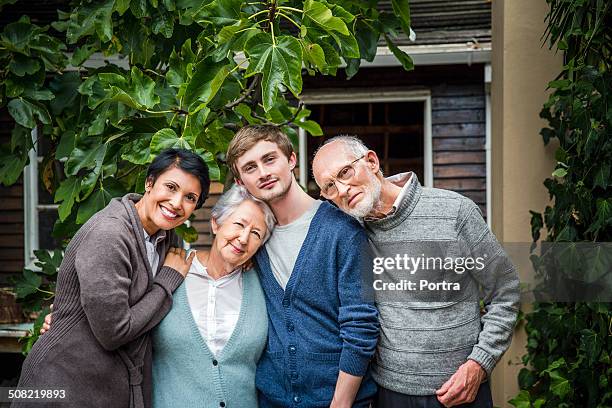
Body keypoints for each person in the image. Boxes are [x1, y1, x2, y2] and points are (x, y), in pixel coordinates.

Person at [312, 136, 520, 408]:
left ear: (372, 162)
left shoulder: (455, 212)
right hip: (388, 395)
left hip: (460, 393)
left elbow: (506, 292)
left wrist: (479, 363)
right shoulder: (352, 233)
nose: (341, 189)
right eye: (329, 186)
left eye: (345, 172)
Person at [14, 148, 210, 408]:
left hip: (106, 388)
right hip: (58, 386)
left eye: (190, 197)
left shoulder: (166, 238)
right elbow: (114, 332)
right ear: (149, 183)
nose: (176, 203)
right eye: (171, 187)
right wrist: (166, 282)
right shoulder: (109, 234)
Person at [225, 125, 380, 407]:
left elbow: (362, 327)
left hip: (340, 401)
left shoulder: (345, 231)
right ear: (240, 182)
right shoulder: (254, 239)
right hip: (273, 400)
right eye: (250, 167)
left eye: (270, 159)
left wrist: (341, 404)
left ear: (292, 160)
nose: (263, 173)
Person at [151, 184, 276, 408]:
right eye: (239, 224)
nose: (244, 238)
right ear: (216, 223)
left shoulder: (263, 284)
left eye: (256, 234)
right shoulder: (172, 268)